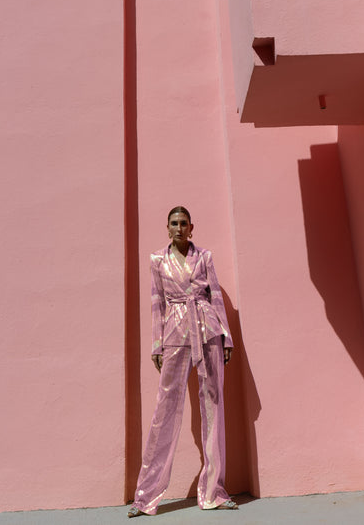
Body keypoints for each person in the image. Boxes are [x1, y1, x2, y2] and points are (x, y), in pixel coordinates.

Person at [128, 206, 238, 516]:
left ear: (192, 227)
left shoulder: (204, 257)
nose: (179, 228)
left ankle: (214, 491)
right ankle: (145, 496)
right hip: (175, 331)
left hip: (208, 330)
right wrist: (156, 344)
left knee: (213, 407)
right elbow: (156, 303)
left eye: (184, 223)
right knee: (165, 408)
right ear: (167, 227)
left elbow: (215, 295)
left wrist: (226, 337)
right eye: (174, 223)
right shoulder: (157, 260)